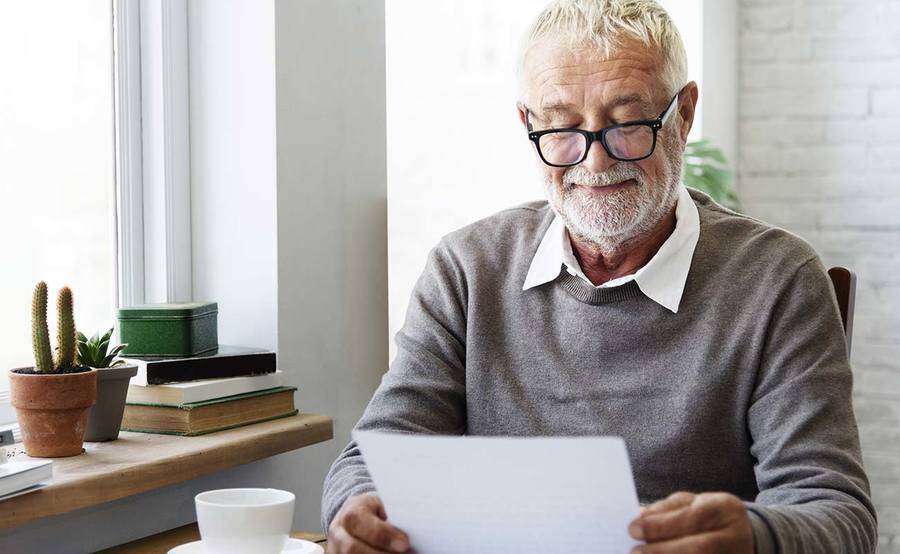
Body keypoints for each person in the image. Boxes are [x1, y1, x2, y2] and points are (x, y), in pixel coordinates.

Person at [322, 1, 878, 552]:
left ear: (683, 114)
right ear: (527, 123)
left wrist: (756, 538)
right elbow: (374, 457)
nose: (594, 162)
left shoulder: (777, 278)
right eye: (562, 127)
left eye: (627, 123)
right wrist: (358, 512)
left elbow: (837, 513)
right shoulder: (467, 268)